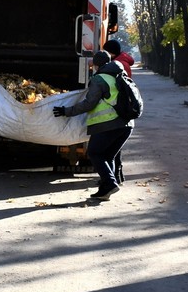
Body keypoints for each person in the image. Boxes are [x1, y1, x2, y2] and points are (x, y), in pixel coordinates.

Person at [52, 50, 133, 201]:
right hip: (127, 124)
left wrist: (66, 111)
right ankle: (105, 190)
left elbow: (89, 104)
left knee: (95, 153)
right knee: (108, 156)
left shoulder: (99, 79)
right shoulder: (120, 75)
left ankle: (109, 183)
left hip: (108, 123)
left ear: (96, 65)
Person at [103, 39, 134, 182]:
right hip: (124, 106)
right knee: (116, 146)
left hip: (119, 107)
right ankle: (118, 175)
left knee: (113, 146)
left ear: (111, 52)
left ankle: (114, 176)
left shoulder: (118, 65)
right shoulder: (124, 61)